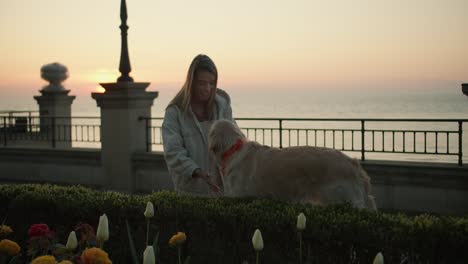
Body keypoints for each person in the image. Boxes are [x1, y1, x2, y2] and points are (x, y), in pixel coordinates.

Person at [162, 54, 235, 196]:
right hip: (190, 194)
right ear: (191, 82)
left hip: (222, 192)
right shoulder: (174, 112)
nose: (207, 88)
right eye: (202, 83)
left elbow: (235, 142)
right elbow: (173, 152)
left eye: (211, 83)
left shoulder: (223, 107)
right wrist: (198, 172)